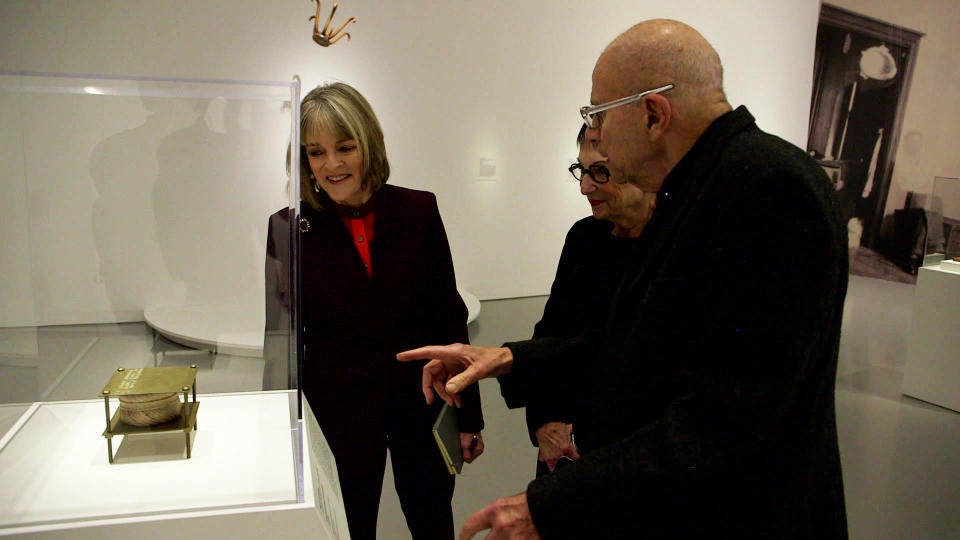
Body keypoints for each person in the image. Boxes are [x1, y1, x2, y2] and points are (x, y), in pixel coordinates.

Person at [399, 19, 848, 539]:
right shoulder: (702, 188)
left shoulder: (768, 188)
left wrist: (550, 503)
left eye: (598, 115)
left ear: (653, 114)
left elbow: (729, 418)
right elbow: (635, 342)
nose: (599, 139)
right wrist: (505, 358)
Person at [287, 82, 484, 540]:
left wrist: (469, 415)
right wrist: (285, 438)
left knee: (433, 521)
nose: (331, 165)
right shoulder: (291, 227)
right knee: (348, 528)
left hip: (423, 404)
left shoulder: (418, 210)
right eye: (316, 152)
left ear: (368, 145)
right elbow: (284, 341)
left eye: (345, 147)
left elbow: (447, 317)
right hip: (340, 418)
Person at [496, 126, 655, 477]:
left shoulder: (678, 244)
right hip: (572, 449)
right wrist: (544, 420)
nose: (584, 186)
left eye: (599, 172)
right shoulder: (585, 236)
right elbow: (552, 331)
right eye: (580, 170)